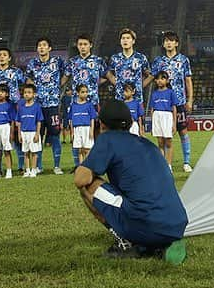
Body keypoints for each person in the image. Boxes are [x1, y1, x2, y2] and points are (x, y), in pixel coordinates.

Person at [74, 100, 188, 262]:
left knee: (88, 185)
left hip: (146, 221)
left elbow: (80, 179)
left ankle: (127, 242)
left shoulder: (108, 139)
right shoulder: (147, 143)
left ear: (103, 125)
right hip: (177, 223)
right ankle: (160, 243)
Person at [151, 31, 194, 171]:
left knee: (183, 131)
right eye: (166, 41)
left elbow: (188, 80)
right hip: (163, 103)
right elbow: (152, 78)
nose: (169, 43)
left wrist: (190, 100)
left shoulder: (183, 60)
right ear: (163, 44)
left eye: (171, 40)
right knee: (163, 136)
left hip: (179, 101)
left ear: (176, 43)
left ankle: (186, 162)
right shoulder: (158, 61)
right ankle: (165, 164)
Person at [63, 34, 108, 165]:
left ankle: (95, 162)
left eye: (85, 44)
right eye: (80, 44)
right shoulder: (72, 62)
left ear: (90, 45)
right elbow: (65, 78)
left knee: (95, 131)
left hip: (92, 101)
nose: (82, 47)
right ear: (77, 46)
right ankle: (78, 164)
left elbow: (107, 75)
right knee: (77, 134)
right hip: (76, 103)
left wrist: (96, 83)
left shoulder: (98, 61)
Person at [25, 37, 65, 175]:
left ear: (49, 48)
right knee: (39, 135)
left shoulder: (57, 61)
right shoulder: (33, 63)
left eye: (44, 45)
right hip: (38, 105)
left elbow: (66, 74)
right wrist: (34, 90)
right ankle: (38, 166)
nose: (41, 48)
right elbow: (28, 77)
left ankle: (57, 166)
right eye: (39, 46)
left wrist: (58, 85)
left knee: (55, 134)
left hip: (53, 104)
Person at [0, 47, 25, 172]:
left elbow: (25, 81)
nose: (1, 57)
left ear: (9, 58)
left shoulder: (16, 72)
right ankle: (0, 168)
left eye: (4, 55)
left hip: (14, 105)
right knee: (0, 139)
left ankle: (21, 165)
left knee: (16, 136)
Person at [106, 28, 151, 102]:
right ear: (120, 41)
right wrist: (117, 84)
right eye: (123, 38)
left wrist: (139, 86)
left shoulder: (140, 58)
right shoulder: (115, 58)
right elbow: (109, 74)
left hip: (136, 99)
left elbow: (150, 75)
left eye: (128, 38)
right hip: (120, 98)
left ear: (133, 41)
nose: (125, 40)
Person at [149, 73, 177, 169]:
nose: (160, 80)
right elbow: (152, 109)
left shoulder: (171, 92)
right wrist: (153, 123)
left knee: (168, 141)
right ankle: (162, 165)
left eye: (163, 78)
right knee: (160, 142)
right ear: (155, 81)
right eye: (158, 79)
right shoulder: (154, 94)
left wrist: (174, 124)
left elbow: (174, 108)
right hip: (157, 116)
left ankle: (168, 164)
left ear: (167, 80)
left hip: (167, 116)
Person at [16, 83, 42, 177]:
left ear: (34, 94)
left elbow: (39, 121)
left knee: (34, 152)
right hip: (24, 132)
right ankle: (27, 170)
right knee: (26, 152)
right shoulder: (21, 108)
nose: (27, 94)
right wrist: (19, 134)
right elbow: (19, 122)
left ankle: (34, 169)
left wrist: (37, 134)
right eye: (25, 92)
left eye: (29, 92)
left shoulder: (37, 106)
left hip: (33, 132)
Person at [69, 84, 97, 163]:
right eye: (82, 92)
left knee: (87, 149)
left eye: (86, 92)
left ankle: (87, 167)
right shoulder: (73, 106)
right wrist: (72, 132)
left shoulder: (89, 105)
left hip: (86, 128)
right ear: (78, 93)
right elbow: (71, 120)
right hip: (77, 129)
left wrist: (91, 130)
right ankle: (81, 166)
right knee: (80, 150)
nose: (85, 94)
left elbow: (92, 119)